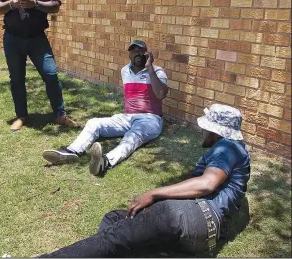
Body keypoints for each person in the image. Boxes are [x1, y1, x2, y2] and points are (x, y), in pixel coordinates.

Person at [40, 104, 251, 257]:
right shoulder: (236, 152)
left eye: (206, 127)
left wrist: (153, 193)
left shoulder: (228, 147)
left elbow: (207, 184)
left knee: (114, 238)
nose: (202, 130)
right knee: (115, 220)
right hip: (203, 234)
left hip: (190, 217)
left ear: (216, 131)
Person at [43, 40, 168, 176]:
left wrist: (149, 67)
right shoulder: (125, 70)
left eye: (140, 50)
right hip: (127, 117)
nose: (136, 53)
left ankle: (105, 162)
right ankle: (72, 152)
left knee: (132, 136)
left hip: (150, 119)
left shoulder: (157, 71)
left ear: (146, 53)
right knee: (94, 123)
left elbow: (161, 94)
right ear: (129, 54)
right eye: (133, 50)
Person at [0, 0, 77, 131]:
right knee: (17, 79)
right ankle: (21, 116)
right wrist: (10, 5)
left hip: (38, 39)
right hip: (13, 39)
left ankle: (60, 115)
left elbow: (55, 6)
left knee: (51, 74)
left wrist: (36, 3)